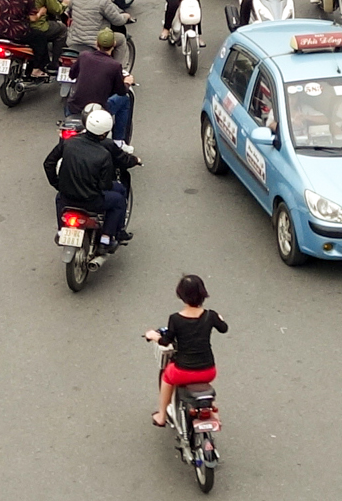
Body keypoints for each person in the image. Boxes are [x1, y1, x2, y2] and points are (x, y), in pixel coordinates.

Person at [43, 103, 133, 245]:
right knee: (118, 199)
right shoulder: (104, 155)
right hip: (92, 201)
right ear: (104, 133)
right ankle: (107, 236)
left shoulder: (69, 143)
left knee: (59, 198)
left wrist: (57, 184)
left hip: (66, 197)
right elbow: (105, 185)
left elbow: (49, 163)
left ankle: (62, 230)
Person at [146, 273, 227, 427]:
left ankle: (162, 415)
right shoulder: (211, 315)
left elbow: (165, 341)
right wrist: (220, 318)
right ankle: (213, 413)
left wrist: (153, 336)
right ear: (203, 293)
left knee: (166, 376)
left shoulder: (175, 319)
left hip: (182, 372)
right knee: (204, 385)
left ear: (181, 295)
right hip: (208, 370)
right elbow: (224, 328)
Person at [71, 28, 134, 142]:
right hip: (97, 111)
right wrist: (127, 82)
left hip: (73, 108)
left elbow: (72, 75)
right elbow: (121, 91)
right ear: (114, 44)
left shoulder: (84, 56)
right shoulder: (114, 66)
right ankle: (119, 140)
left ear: (96, 43)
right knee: (125, 99)